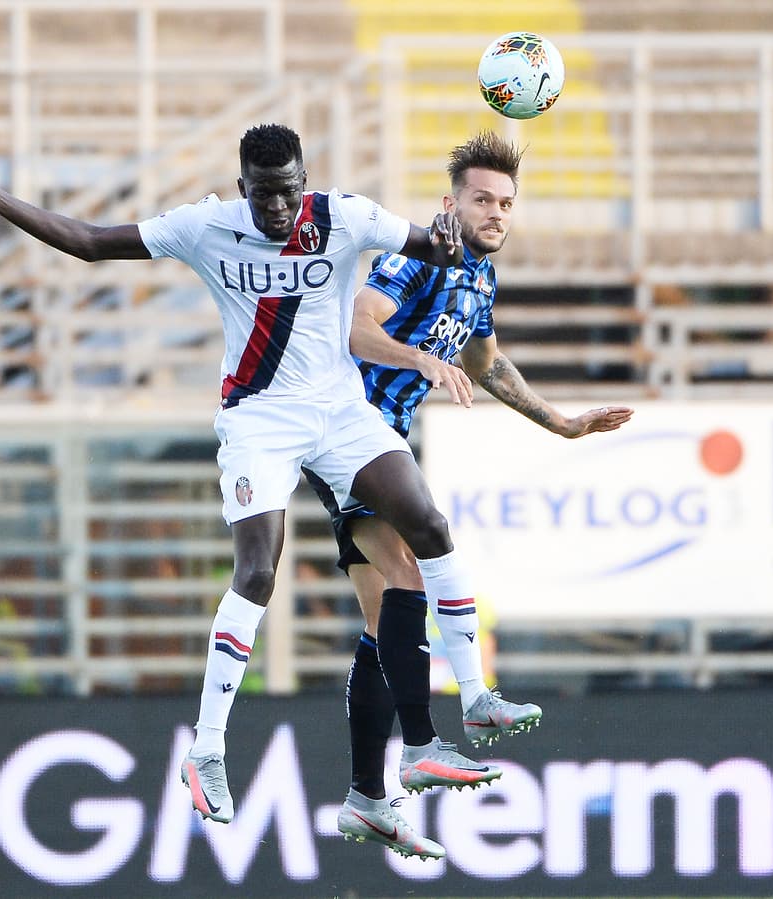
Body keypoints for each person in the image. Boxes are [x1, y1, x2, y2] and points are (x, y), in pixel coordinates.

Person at [0, 125, 502, 847]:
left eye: (287, 193)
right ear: (242, 190)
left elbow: (432, 247)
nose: (276, 208)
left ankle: (471, 701)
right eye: (263, 195)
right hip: (259, 419)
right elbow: (92, 242)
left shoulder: (345, 215)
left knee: (428, 525)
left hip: (340, 411)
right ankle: (206, 749)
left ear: (304, 183)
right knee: (258, 571)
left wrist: (446, 239)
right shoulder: (207, 227)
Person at [307, 131, 633, 857]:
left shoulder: (479, 277)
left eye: (506, 203)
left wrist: (562, 423)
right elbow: (356, 327)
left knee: (383, 619)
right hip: (343, 427)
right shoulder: (419, 255)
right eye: (482, 199)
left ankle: (366, 796)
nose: (495, 212)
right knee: (417, 560)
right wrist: (418, 357)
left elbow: (485, 362)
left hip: (375, 437)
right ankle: (436, 734)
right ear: (450, 203)